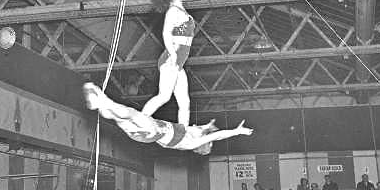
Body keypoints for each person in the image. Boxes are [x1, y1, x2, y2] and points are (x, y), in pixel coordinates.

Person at [83, 82, 253, 155]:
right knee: (118, 117)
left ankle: (102, 99)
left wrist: (237, 131)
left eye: (207, 142)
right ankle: (100, 103)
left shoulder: (190, 143)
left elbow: (216, 135)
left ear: (202, 145)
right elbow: (202, 128)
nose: (206, 137)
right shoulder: (190, 132)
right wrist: (208, 125)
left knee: (131, 113)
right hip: (144, 133)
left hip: (151, 133)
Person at [140, 0, 194, 125]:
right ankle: (140, 120)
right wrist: (173, 54)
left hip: (178, 63)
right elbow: (166, 33)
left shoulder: (179, 8)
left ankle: (184, 131)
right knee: (164, 96)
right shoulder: (173, 11)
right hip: (172, 58)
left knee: (185, 102)